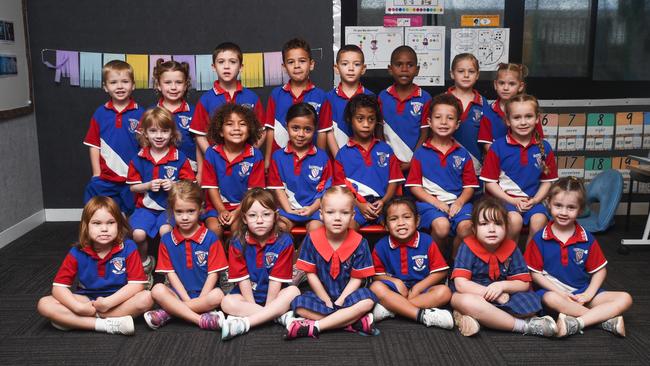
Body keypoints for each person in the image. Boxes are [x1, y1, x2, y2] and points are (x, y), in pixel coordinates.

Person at [524, 177, 633, 337]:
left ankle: (577, 322)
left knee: (625, 298)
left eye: (571, 207)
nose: (563, 212)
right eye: (558, 205)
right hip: (555, 293)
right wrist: (560, 293)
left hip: (581, 294)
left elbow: (600, 271)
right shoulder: (540, 238)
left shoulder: (586, 238)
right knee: (550, 299)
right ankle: (602, 319)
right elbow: (535, 274)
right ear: (549, 203)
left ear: (580, 209)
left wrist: (588, 294)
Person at [37, 196, 152, 335]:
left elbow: (137, 284)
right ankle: (105, 324)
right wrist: (78, 308)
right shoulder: (77, 252)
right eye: (97, 223)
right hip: (87, 299)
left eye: (110, 223)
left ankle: (75, 321)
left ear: (119, 225)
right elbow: (59, 288)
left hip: (119, 299)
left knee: (147, 298)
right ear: (86, 226)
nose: (104, 229)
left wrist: (108, 303)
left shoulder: (128, 247)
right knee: (44, 304)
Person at [450, 197, 556, 337]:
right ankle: (523, 326)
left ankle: (482, 318)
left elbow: (524, 283)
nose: (492, 229)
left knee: (531, 303)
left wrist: (502, 286)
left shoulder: (511, 248)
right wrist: (494, 296)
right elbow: (461, 285)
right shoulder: (467, 246)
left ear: (506, 227)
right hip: (476, 292)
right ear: (474, 229)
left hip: (504, 293)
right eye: (484, 224)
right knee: (462, 300)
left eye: (498, 224)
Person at [284, 187, 377, 339]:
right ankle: (349, 322)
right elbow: (310, 273)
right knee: (298, 304)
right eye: (330, 212)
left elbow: (357, 278)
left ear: (353, 215)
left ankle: (317, 326)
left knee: (367, 301)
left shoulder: (360, 242)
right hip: (321, 295)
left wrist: (340, 301)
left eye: (344, 213)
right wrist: (326, 300)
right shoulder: (312, 239)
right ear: (321, 214)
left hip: (349, 296)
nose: (337, 218)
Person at [144, 180, 227, 331]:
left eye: (190, 211)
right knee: (157, 290)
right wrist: (187, 300)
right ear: (171, 211)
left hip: (205, 294)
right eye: (179, 212)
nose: (185, 217)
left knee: (218, 295)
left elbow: (213, 274)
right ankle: (200, 318)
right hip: (178, 294)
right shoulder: (167, 240)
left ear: (200, 210)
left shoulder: (210, 238)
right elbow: (171, 274)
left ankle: (170, 312)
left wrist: (201, 299)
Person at [219, 188, 301, 340]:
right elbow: (242, 279)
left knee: (294, 292)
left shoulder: (285, 241)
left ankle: (245, 323)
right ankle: (277, 317)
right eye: (252, 215)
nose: (259, 220)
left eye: (266, 214)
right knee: (226, 302)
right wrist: (269, 311)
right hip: (247, 297)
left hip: (275, 296)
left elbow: (276, 280)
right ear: (244, 218)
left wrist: (270, 305)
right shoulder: (237, 242)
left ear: (275, 216)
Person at [127, 107, 195, 284]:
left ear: (172, 133)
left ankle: (168, 270)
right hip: (146, 208)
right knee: (138, 234)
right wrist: (148, 185)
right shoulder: (139, 158)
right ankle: (145, 264)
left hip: (169, 209)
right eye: (153, 131)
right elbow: (133, 188)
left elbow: (190, 184)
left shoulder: (179, 157)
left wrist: (175, 185)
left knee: (166, 232)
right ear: (145, 134)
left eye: (164, 131)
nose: (159, 136)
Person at [480, 94, 558, 244]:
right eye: (517, 118)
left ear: (537, 119)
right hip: (504, 200)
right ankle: (508, 261)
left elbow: (547, 182)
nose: (523, 122)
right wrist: (512, 200)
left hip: (532, 201)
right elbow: (490, 182)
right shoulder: (498, 147)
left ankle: (529, 262)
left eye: (528, 116)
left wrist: (535, 200)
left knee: (539, 221)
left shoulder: (544, 147)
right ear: (508, 121)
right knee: (514, 221)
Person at [406, 94, 478, 256]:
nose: (444, 122)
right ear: (430, 122)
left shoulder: (462, 154)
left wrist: (459, 203)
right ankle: (437, 265)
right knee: (442, 227)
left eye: (450, 118)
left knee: (466, 227)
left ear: (457, 124)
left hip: (458, 203)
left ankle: (455, 265)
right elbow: (415, 187)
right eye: (438, 117)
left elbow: (469, 187)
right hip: (430, 204)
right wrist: (437, 203)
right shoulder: (420, 153)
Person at [369, 197, 454, 329]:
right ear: (385, 226)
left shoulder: (427, 241)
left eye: (407, 217)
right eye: (393, 219)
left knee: (445, 292)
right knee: (375, 287)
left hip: (421, 291)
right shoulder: (381, 246)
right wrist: (395, 282)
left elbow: (440, 271)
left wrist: (418, 288)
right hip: (395, 291)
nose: (401, 223)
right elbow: (377, 274)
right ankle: (422, 315)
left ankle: (393, 308)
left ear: (417, 221)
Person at [189, 42, 264, 178]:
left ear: (241, 67)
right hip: (216, 167)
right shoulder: (206, 99)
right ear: (213, 67)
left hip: (246, 164)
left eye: (232, 62)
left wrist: (248, 154)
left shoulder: (251, 97)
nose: (227, 66)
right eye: (221, 62)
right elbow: (199, 134)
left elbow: (262, 131)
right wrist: (215, 158)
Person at [332, 94, 404, 229]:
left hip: (384, 204)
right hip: (356, 205)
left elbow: (394, 182)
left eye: (371, 119)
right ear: (350, 120)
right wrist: (359, 205)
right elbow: (341, 188)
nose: (366, 124)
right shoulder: (343, 154)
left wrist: (383, 202)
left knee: (398, 225)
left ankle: (385, 251)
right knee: (347, 227)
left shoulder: (386, 149)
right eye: (360, 119)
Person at [83, 60, 144, 214]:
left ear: (133, 85)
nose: (120, 86)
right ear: (105, 87)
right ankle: (96, 237)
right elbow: (94, 145)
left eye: (125, 81)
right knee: (102, 211)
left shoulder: (141, 113)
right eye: (113, 82)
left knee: (133, 215)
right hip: (106, 177)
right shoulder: (100, 113)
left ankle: (129, 238)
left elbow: (147, 147)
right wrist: (96, 173)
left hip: (132, 178)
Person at [201, 103, 265, 238]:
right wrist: (221, 210)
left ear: (250, 130)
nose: (236, 128)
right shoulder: (211, 153)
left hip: (244, 207)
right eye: (230, 124)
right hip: (216, 208)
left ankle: (235, 259)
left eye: (242, 124)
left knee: (238, 231)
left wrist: (236, 212)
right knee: (214, 230)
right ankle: (218, 259)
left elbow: (253, 193)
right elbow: (211, 187)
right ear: (220, 131)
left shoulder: (255, 155)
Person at [268, 103, 331, 232]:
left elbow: (325, 191)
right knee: (278, 229)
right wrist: (289, 210)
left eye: (307, 129)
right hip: (287, 211)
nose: (301, 134)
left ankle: (301, 253)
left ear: (314, 129)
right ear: (287, 126)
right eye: (295, 128)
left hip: (313, 211)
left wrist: (312, 209)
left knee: (316, 230)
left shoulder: (322, 157)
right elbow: (278, 189)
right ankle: (290, 252)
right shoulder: (277, 157)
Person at [265, 38, 327, 169]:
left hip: (310, 161)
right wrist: (267, 160)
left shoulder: (321, 96)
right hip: (280, 160)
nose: (297, 66)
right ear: (284, 67)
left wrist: (320, 159)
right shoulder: (276, 94)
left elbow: (322, 131)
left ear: (311, 64)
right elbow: (270, 130)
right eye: (291, 62)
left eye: (302, 61)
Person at [378, 45, 431, 170]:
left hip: (416, 163)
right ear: (390, 69)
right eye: (399, 64)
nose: (404, 69)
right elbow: (379, 133)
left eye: (410, 65)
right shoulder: (382, 97)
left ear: (417, 70)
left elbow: (425, 134)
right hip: (388, 164)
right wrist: (388, 158)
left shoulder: (425, 98)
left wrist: (414, 161)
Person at [318, 44, 375, 156]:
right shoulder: (327, 98)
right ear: (336, 68)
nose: (351, 68)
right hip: (335, 160)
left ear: (363, 69)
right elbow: (326, 132)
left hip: (365, 159)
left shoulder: (371, 97)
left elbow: (376, 132)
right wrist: (340, 159)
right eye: (345, 64)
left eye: (357, 64)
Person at [478, 62, 543, 154]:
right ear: (495, 85)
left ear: (520, 86)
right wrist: (505, 161)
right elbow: (487, 145)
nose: (505, 88)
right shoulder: (488, 112)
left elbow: (538, 141)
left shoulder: (530, 111)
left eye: (511, 84)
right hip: (499, 163)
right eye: (501, 83)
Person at [446, 53, 491, 175]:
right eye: (461, 71)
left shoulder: (482, 102)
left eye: (471, 71)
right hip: (447, 165)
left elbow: (487, 136)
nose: (466, 75)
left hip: (475, 167)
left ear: (477, 75)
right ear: (452, 74)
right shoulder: (443, 100)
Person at [151, 59, 198, 173]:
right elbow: (144, 144)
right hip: (158, 170)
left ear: (186, 85)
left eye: (178, 82)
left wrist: (200, 173)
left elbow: (200, 146)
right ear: (158, 85)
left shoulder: (195, 112)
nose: (173, 87)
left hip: (190, 171)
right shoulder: (151, 112)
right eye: (167, 82)